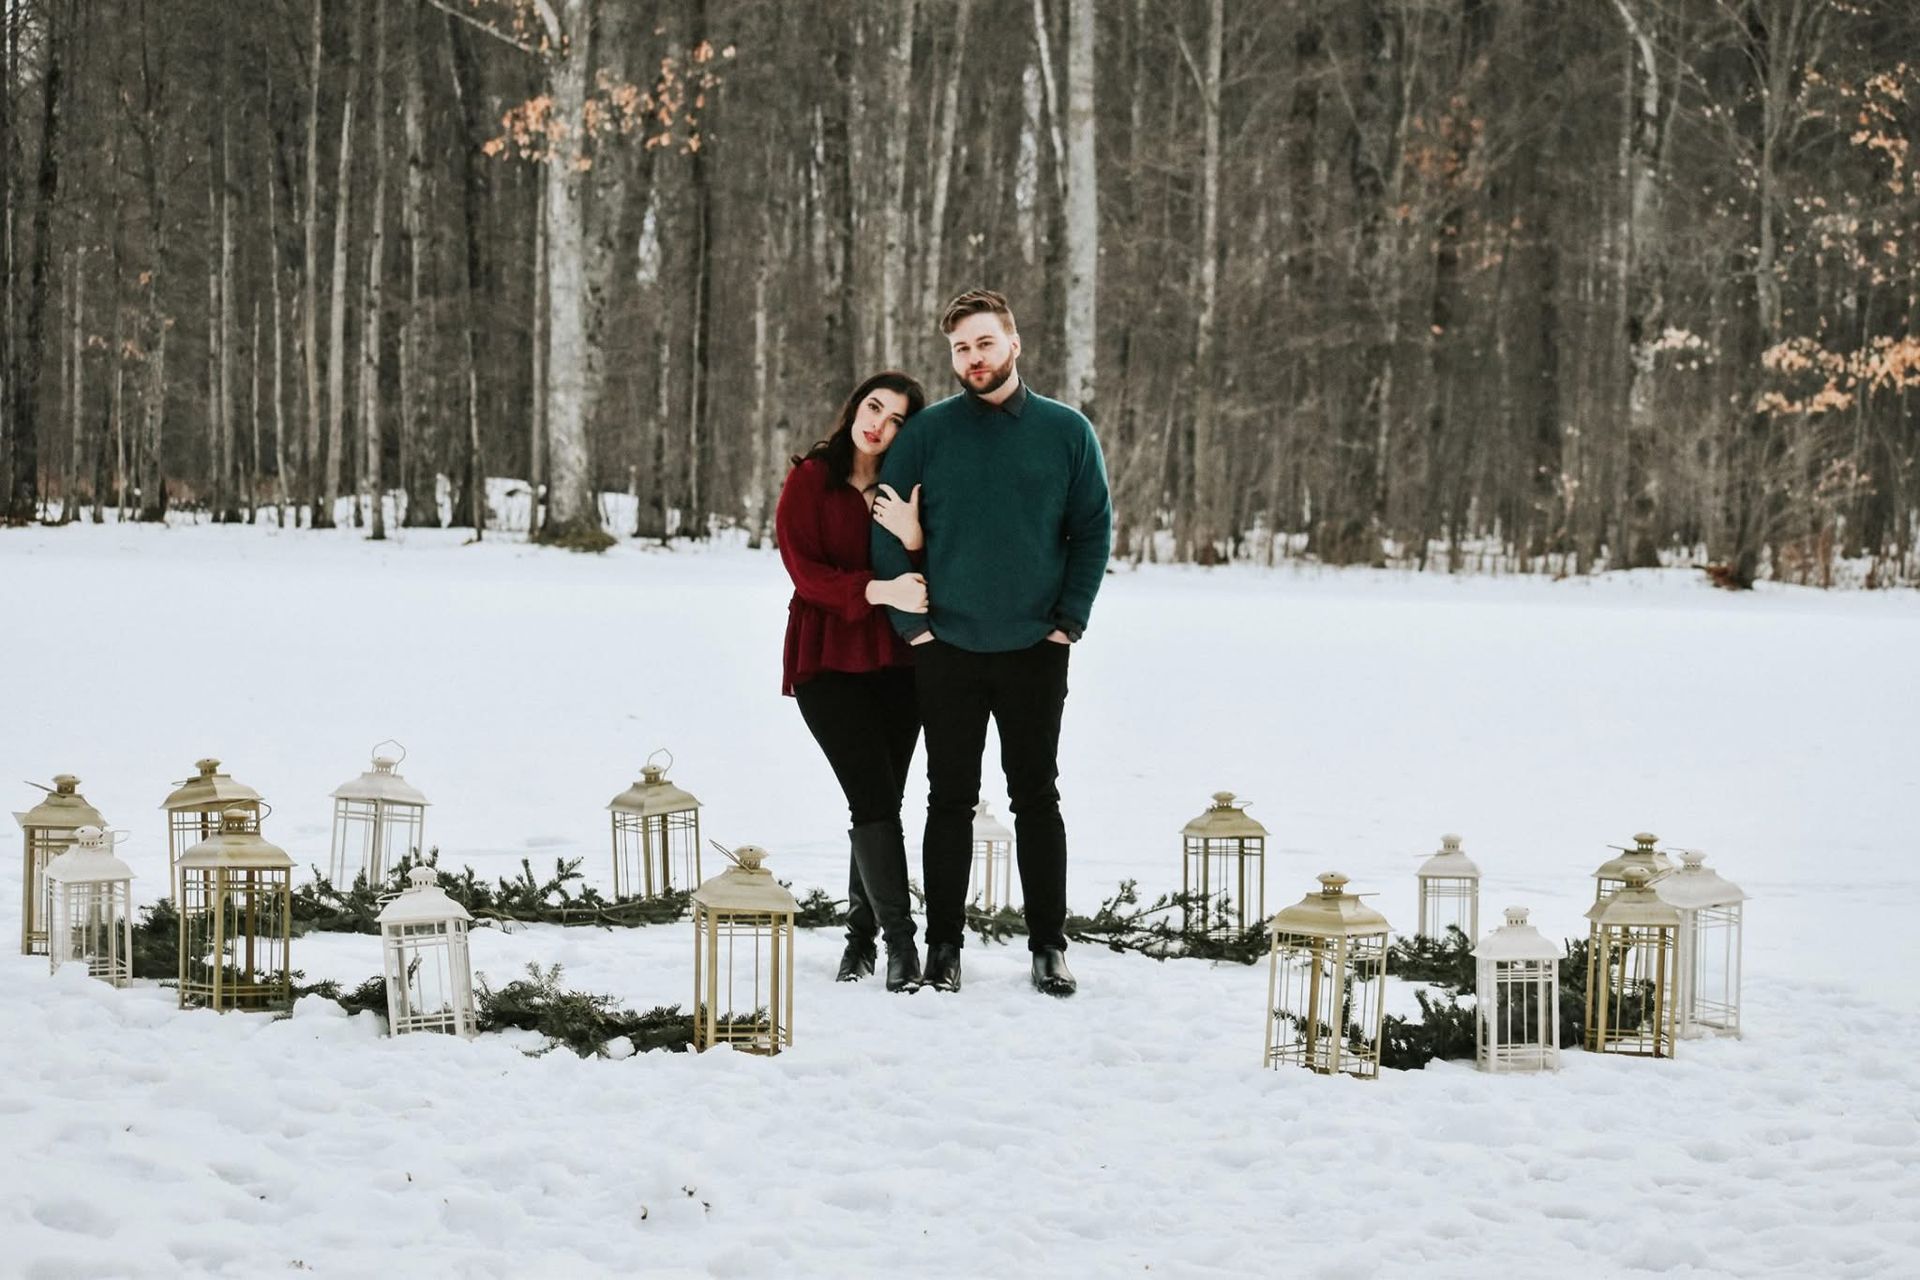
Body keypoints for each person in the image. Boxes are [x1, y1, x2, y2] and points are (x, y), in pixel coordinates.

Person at [870, 289, 1113, 997]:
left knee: (1036, 797)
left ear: (1013, 344)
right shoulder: (928, 434)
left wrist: (1070, 619)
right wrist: (912, 626)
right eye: (959, 348)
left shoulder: (1066, 432)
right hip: (946, 645)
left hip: (1036, 646)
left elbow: (1091, 531)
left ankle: (1048, 948)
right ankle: (944, 945)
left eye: (983, 344)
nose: (971, 359)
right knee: (949, 797)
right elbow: (887, 527)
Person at [777, 370, 932, 993]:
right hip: (828, 663)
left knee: (879, 804)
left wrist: (912, 535)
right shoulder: (811, 479)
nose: (880, 425)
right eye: (874, 408)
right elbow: (804, 572)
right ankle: (901, 946)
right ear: (854, 407)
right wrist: (879, 588)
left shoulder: (905, 488)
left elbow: (930, 562)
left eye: (896, 420)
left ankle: (860, 940)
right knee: (871, 797)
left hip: (898, 663)